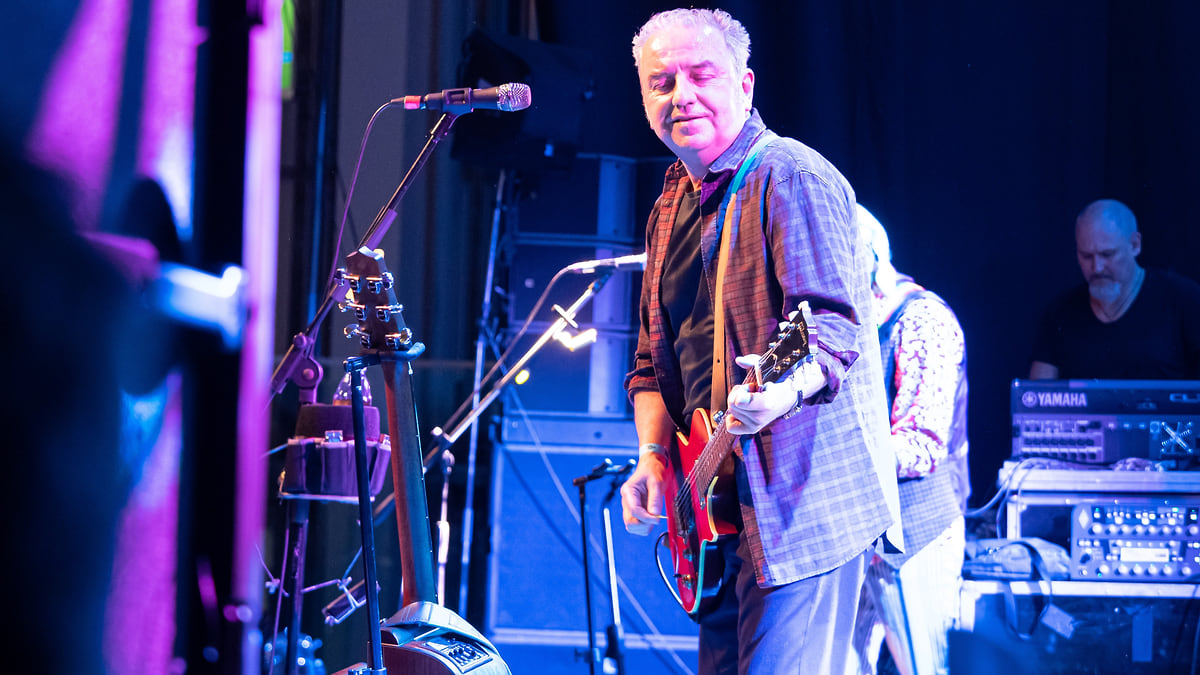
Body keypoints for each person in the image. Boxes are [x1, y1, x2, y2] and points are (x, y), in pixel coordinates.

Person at [618, 9, 901, 674]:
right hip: (716, 510)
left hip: (800, 509)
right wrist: (653, 456)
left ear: (745, 85)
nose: (681, 95)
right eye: (661, 82)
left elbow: (830, 328)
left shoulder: (791, 176)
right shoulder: (669, 203)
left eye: (701, 75)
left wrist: (782, 392)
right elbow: (649, 365)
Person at [847, 205, 969, 675]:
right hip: (855, 538)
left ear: (865, 258)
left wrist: (829, 458)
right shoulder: (844, 326)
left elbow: (921, 445)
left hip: (915, 534)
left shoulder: (922, 319)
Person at [1030, 198, 1200, 380]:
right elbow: (1037, 393)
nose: (1097, 268)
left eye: (1107, 254)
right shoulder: (1061, 312)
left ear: (1135, 245)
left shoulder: (1184, 299)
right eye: (1086, 256)